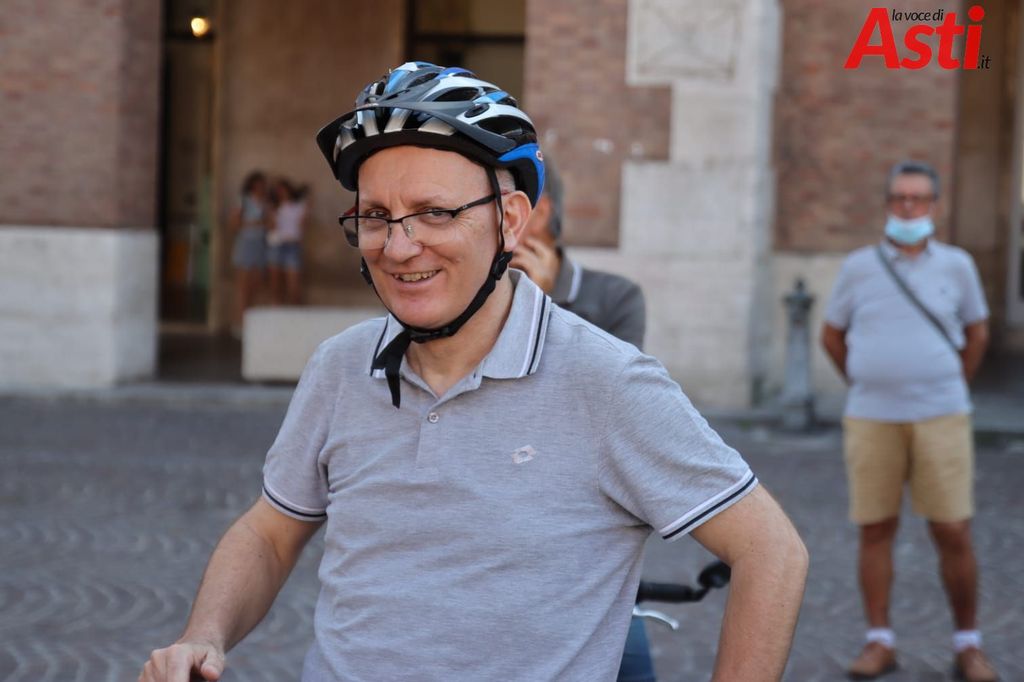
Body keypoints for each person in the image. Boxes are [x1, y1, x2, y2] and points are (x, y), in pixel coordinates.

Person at [140, 62, 807, 682]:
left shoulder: (606, 381)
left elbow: (770, 551)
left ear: (510, 221)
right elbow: (270, 532)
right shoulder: (340, 366)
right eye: (376, 217)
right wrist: (206, 634)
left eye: (435, 213)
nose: (399, 248)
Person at [821, 161, 996, 682]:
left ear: (934, 206)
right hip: (872, 416)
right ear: (887, 205)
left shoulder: (958, 266)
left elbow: (977, 333)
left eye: (918, 199)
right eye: (899, 198)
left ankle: (968, 644)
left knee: (952, 529)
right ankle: (880, 640)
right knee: (875, 528)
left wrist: (949, 380)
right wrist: (866, 377)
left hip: (941, 414)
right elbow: (832, 334)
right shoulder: (859, 267)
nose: (908, 207)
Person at [512, 158, 652, 681]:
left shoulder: (615, 297)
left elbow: (609, 410)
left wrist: (543, 306)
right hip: (497, 525)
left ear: (537, 210)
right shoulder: (465, 301)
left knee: (629, 664)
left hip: (590, 534)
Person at [510, 158, 645, 349]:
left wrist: (541, 305)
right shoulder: (483, 290)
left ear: (540, 214)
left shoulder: (618, 298)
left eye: (507, 209)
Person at [229, 171, 270, 332]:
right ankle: (239, 323)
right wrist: (255, 223)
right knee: (243, 287)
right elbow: (234, 223)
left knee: (256, 285)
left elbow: (269, 223)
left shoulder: (265, 203)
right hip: (246, 243)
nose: (260, 187)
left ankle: (250, 324)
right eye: (258, 184)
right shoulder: (243, 201)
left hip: (260, 244)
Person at [267, 178, 310, 305]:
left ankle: (295, 309)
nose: (281, 193)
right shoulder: (274, 208)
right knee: (275, 282)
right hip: (276, 244)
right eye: (278, 191)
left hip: (292, 245)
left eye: (282, 190)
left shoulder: (299, 206)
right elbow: (271, 227)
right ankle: (276, 308)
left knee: (294, 283)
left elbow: (303, 226)